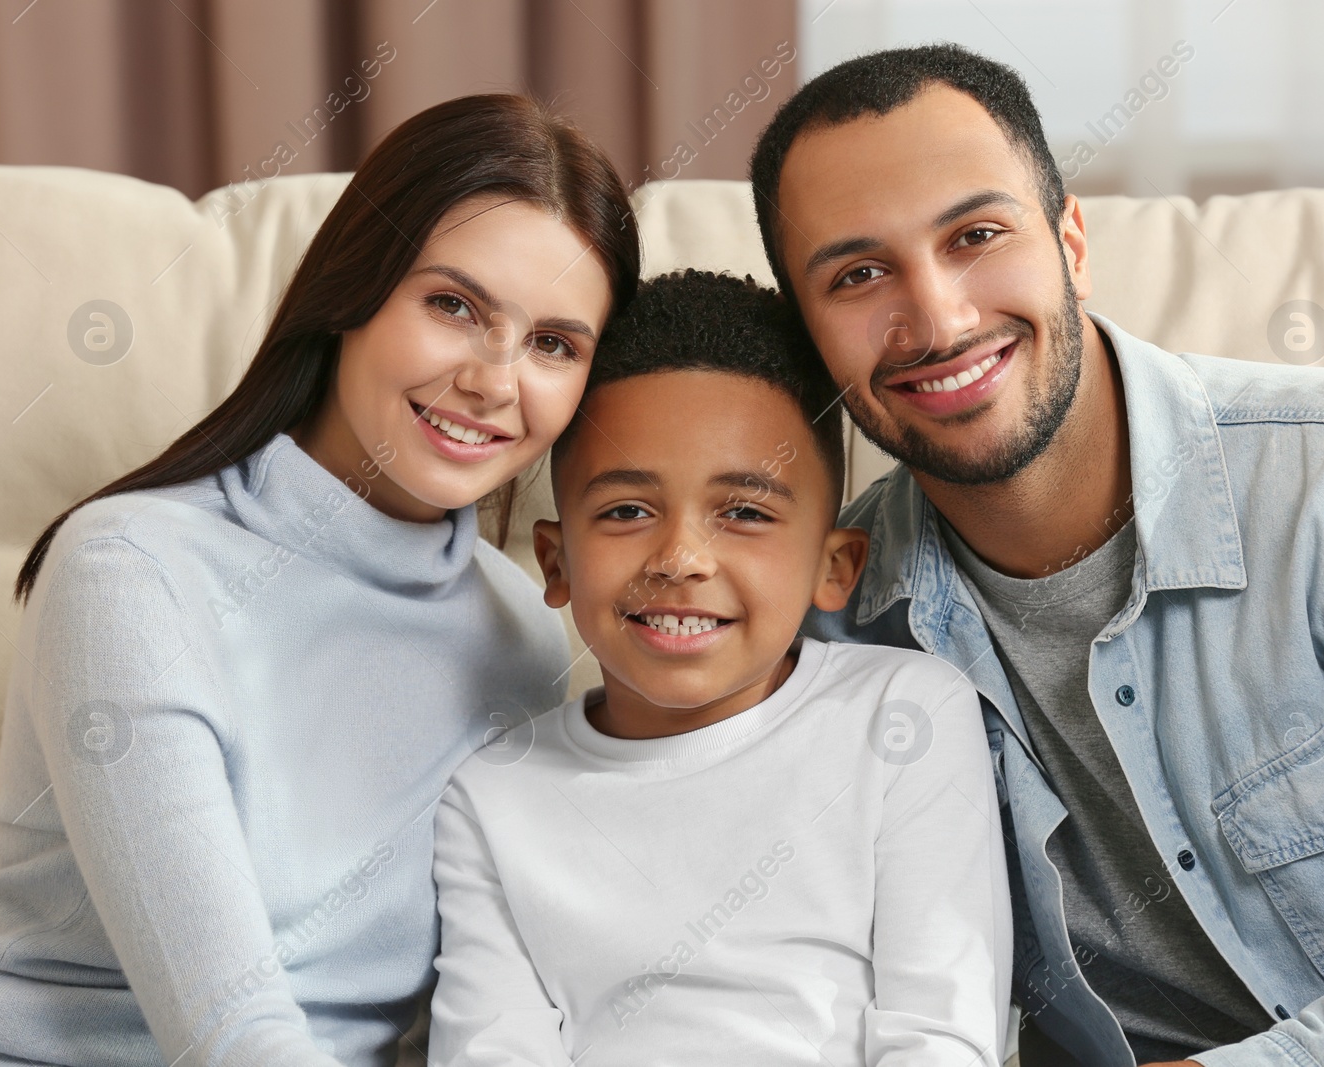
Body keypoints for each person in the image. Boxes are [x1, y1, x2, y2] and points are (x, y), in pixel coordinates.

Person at [748, 44, 1324, 1067]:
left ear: (1070, 241)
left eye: (975, 234)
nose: (937, 317)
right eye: (859, 273)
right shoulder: (818, 617)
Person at [0, 94, 638, 1067]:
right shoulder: (132, 568)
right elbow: (231, 1033)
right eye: (453, 305)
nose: (495, 380)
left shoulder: (526, 638)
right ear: (354, 292)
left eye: (553, 343)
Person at [424, 270, 1013, 1067]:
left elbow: (940, 1034)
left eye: (744, 512)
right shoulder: (491, 797)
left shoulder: (903, 717)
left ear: (833, 567)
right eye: (627, 511)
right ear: (556, 564)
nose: (680, 559)